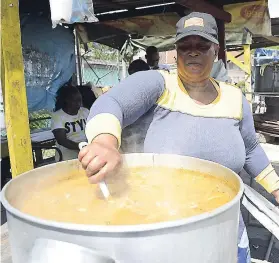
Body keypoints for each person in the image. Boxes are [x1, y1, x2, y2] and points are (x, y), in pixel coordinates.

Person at [79, 12, 279, 263]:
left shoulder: (234, 99)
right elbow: (111, 102)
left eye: (202, 45)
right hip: (167, 233)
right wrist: (104, 142)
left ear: (215, 51)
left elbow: (250, 149)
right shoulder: (159, 84)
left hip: (227, 230)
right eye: (185, 46)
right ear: (176, 52)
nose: (193, 52)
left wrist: (276, 188)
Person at [51, 85, 89, 161]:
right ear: (67, 100)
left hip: (86, 150)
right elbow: (62, 140)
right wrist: (80, 146)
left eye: (80, 100)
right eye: (76, 101)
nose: (79, 104)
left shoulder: (85, 112)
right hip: (67, 155)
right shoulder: (58, 116)